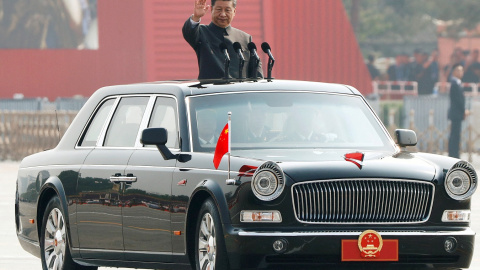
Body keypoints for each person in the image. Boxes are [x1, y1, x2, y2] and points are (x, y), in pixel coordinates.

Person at [182, 0, 263, 80]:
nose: (223, 14)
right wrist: (196, 17)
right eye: (219, 9)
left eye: (227, 10)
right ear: (211, 9)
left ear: (234, 11)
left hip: (239, 91)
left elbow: (256, 72)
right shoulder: (201, 32)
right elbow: (189, 33)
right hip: (210, 91)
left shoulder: (245, 38)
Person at [448, 64, 468, 158]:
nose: (461, 72)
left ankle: (455, 153)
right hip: (456, 113)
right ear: (454, 72)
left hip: (457, 114)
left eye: (462, 70)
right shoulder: (454, 84)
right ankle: (453, 154)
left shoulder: (458, 83)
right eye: (458, 70)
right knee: (454, 135)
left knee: (456, 134)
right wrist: (463, 110)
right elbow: (458, 100)